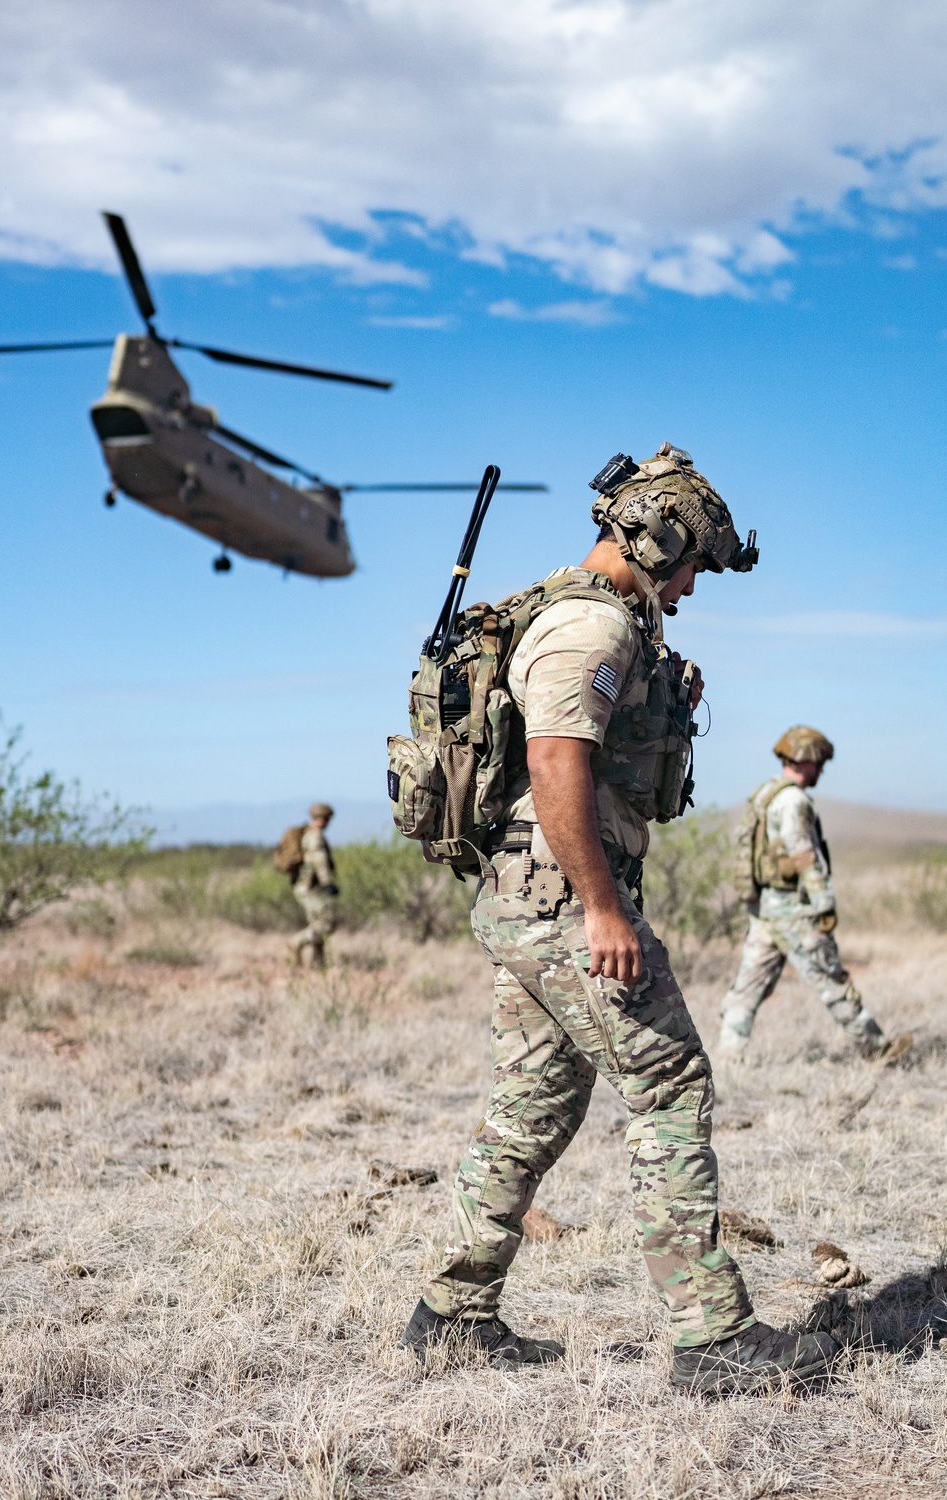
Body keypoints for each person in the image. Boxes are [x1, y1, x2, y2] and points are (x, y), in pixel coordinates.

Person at [400, 443, 836, 1394]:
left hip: (531, 897)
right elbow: (557, 763)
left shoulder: (599, 624)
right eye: (689, 566)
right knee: (672, 1080)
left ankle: (452, 1313)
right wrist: (605, 910)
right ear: (656, 537)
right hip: (561, 899)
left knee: (532, 1108)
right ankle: (713, 1339)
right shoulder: (590, 628)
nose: (688, 588)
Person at [719, 728, 910, 1063]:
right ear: (804, 759)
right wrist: (823, 903)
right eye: (818, 762)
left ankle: (728, 1056)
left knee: (748, 986)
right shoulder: (793, 800)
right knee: (830, 978)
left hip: (766, 907)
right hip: (793, 909)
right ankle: (877, 1050)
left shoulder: (766, 793)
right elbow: (804, 854)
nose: (821, 770)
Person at [288, 802, 338, 968]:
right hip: (311, 888)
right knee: (324, 925)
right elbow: (319, 860)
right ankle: (296, 942)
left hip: (305, 887)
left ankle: (318, 964)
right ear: (324, 818)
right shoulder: (315, 836)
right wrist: (327, 883)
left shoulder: (307, 833)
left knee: (318, 924)